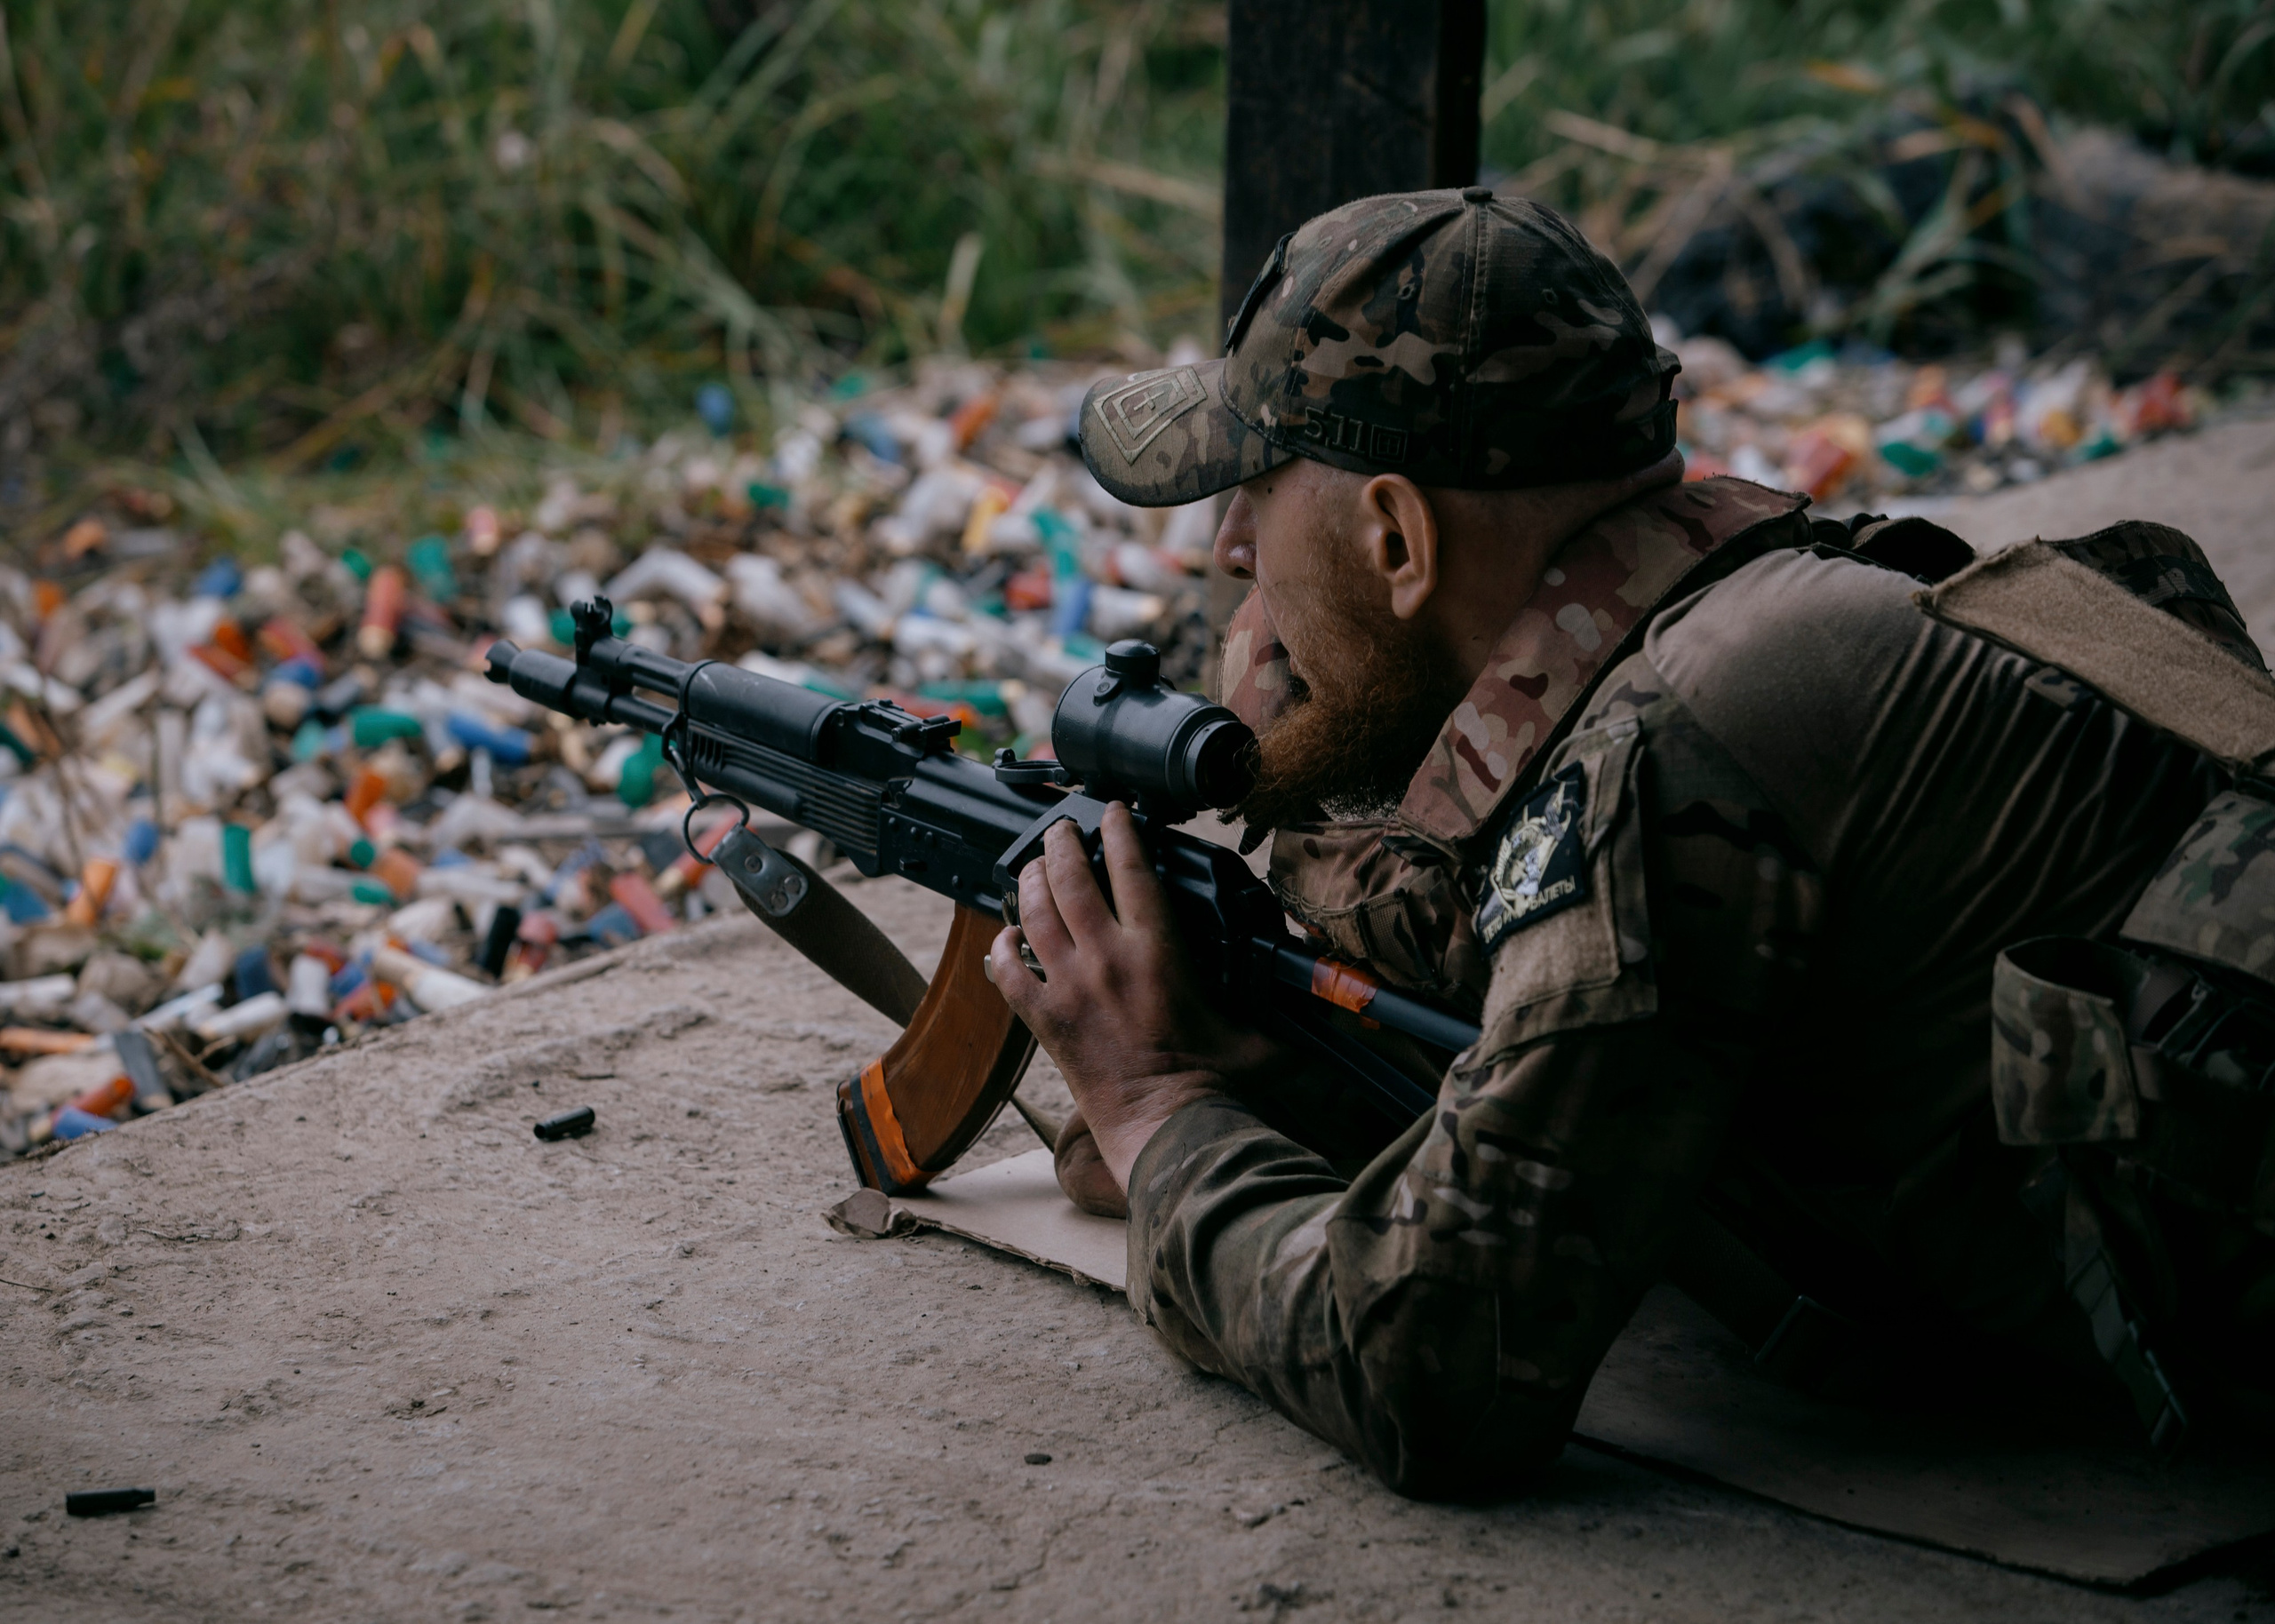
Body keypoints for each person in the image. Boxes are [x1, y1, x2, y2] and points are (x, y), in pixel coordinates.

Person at [984, 187, 2275, 1498]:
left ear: (1396, 537)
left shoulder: (1671, 740)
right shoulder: (1798, 591)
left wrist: (1158, 1112)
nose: (1235, 548)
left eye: (1257, 495)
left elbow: (1435, 1367)